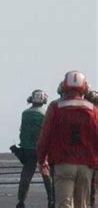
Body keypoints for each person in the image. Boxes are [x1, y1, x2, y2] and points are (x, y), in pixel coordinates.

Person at [37, 71, 98, 208]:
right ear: (84, 88)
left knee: (63, 204)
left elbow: (44, 137)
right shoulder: (92, 109)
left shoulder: (55, 107)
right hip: (86, 165)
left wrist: (42, 161)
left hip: (62, 164)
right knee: (82, 204)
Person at [15, 89, 53, 208]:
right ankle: (51, 200)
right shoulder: (45, 113)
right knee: (46, 174)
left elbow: (22, 131)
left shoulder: (25, 113)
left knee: (26, 175)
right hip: (42, 148)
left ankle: (21, 200)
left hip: (27, 148)